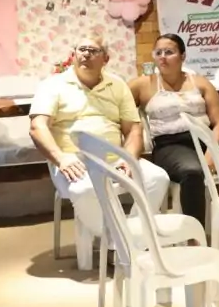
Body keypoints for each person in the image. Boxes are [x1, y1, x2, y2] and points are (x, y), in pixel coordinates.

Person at [29, 34, 171, 269]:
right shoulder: (52, 85)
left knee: (157, 178)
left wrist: (130, 158)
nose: (85, 54)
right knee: (85, 189)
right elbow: (37, 127)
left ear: (106, 58)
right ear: (74, 54)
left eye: (93, 51)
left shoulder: (117, 85)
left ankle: (124, 240)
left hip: (115, 159)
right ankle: (122, 242)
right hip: (73, 161)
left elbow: (134, 129)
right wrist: (61, 158)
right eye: (81, 49)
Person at [128, 34, 219, 227]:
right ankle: (195, 237)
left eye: (169, 52)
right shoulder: (143, 85)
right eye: (158, 52)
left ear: (183, 56)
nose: (162, 57)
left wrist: (209, 155)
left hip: (207, 140)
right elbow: (118, 106)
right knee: (192, 171)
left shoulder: (200, 82)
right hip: (170, 145)